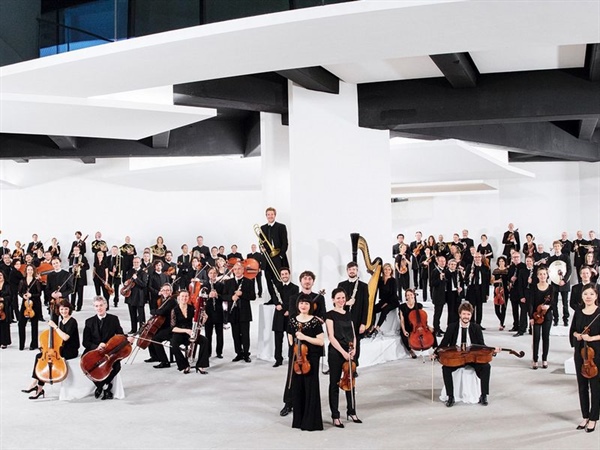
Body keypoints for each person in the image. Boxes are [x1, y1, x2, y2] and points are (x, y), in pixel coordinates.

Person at [435, 302, 500, 407]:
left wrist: (492, 351)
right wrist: (435, 353)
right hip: (456, 358)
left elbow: (482, 345)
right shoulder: (452, 327)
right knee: (445, 369)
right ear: (460, 314)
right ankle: (451, 396)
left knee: (486, 367)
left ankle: (483, 395)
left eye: (468, 314)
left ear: (471, 315)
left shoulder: (476, 328)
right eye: (464, 314)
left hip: (472, 359)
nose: (466, 317)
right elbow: (444, 343)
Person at [22, 299, 79, 400]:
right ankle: (38, 387)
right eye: (62, 309)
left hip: (71, 350)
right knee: (41, 356)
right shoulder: (62, 321)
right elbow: (58, 339)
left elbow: (65, 337)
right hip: (62, 348)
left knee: (46, 358)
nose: (64, 311)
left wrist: (55, 327)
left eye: (66, 309)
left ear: (69, 310)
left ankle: (36, 384)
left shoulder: (72, 321)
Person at [288, 294, 324, 431]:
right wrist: (293, 346)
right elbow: (289, 334)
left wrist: (304, 337)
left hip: (311, 358)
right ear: (298, 305)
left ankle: (311, 422)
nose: (303, 306)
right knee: (298, 388)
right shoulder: (292, 320)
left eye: (306, 304)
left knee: (311, 388)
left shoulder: (315, 321)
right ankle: (299, 420)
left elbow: (320, 341)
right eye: (301, 303)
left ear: (310, 306)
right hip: (297, 358)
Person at [326, 288, 361, 428]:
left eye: (343, 298)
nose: (341, 300)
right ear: (333, 299)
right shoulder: (329, 315)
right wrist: (342, 352)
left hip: (349, 351)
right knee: (334, 383)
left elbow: (353, 335)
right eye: (338, 298)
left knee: (349, 382)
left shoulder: (349, 314)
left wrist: (354, 350)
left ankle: (351, 411)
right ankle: (335, 415)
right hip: (336, 352)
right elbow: (331, 337)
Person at [570, 284, 600, 433]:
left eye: (591, 294)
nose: (588, 296)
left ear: (596, 296)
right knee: (582, 385)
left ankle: (594, 418)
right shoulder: (578, 312)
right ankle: (585, 416)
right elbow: (574, 330)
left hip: (596, 354)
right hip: (580, 353)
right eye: (585, 294)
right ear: (582, 296)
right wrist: (577, 335)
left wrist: (592, 337)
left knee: (595, 387)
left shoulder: (599, 312)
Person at [82, 296, 125, 400]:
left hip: (110, 351)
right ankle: (104, 386)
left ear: (105, 305)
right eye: (96, 306)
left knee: (116, 366)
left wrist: (127, 339)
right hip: (95, 350)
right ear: (94, 307)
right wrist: (96, 346)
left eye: (101, 305)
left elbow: (120, 336)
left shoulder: (113, 319)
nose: (99, 308)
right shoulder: (89, 321)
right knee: (85, 365)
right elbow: (85, 342)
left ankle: (102, 386)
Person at [337, 261, 369, 366]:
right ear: (347, 271)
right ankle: (342, 363)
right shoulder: (341, 285)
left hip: (357, 319)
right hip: (343, 318)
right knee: (342, 340)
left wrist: (363, 323)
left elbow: (366, 305)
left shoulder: (363, 286)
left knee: (356, 342)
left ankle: (354, 365)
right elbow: (337, 302)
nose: (352, 271)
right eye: (350, 269)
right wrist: (346, 303)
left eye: (354, 269)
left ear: (357, 271)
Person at [223, 262, 255, 362]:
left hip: (245, 313)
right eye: (235, 269)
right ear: (233, 271)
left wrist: (242, 294)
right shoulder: (228, 282)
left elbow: (253, 296)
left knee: (245, 334)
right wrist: (231, 297)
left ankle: (246, 353)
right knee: (235, 335)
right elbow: (223, 296)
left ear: (243, 270)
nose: (237, 271)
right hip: (233, 313)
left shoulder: (249, 282)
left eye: (239, 269)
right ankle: (238, 353)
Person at [272, 267, 299, 367]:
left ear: (289, 274)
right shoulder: (277, 286)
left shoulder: (295, 288)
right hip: (279, 315)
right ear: (280, 276)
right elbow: (274, 298)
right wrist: (277, 304)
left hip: (289, 315)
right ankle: (278, 359)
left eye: (286, 274)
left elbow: (294, 301)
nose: (284, 276)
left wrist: (285, 308)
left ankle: (292, 358)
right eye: (282, 274)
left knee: (291, 339)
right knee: (278, 339)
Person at [260, 207, 289, 302]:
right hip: (267, 258)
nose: (270, 216)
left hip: (278, 257)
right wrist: (261, 249)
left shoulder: (281, 227)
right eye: (268, 214)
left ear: (275, 215)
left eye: (272, 214)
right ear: (266, 216)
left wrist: (281, 256)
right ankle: (273, 299)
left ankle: (283, 300)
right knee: (268, 279)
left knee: (278, 280)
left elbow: (285, 243)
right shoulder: (262, 228)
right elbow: (261, 243)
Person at [145, 284, 176, 368]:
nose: (165, 292)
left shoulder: (172, 301)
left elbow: (162, 312)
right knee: (150, 334)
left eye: (168, 290)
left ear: (171, 292)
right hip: (163, 325)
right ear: (161, 291)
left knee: (156, 339)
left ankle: (165, 361)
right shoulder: (163, 300)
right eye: (164, 290)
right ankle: (155, 356)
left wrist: (153, 311)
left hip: (170, 327)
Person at [529, 266, 554, 369]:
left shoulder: (551, 288)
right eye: (540, 274)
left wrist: (549, 306)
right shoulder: (533, 287)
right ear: (537, 276)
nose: (542, 276)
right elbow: (530, 303)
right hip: (536, 315)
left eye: (544, 274)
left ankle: (544, 359)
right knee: (536, 338)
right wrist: (531, 317)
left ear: (547, 275)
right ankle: (535, 359)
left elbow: (553, 302)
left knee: (545, 337)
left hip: (547, 316)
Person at [398, 289, 432, 358]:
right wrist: (404, 330)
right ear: (406, 297)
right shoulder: (402, 307)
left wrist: (428, 326)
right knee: (403, 335)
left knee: (432, 331)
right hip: (407, 326)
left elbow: (423, 319)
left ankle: (435, 349)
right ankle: (410, 350)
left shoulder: (419, 305)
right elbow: (402, 320)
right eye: (407, 295)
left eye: (411, 294)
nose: (409, 296)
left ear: (414, 295)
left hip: (419, 325)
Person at [367, 263, 398, 336]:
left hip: (392, 301)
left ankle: (377, 328)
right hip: (383, 301)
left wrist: (386, 303)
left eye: (389, 269)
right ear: (383, 271)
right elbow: (375, 278)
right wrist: (371, 272)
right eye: (385, 269)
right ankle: (372, 326)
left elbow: (394, 294)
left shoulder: (393, 281)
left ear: (391, 271)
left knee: (385, 309)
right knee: (373, 309)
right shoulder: (380, 280)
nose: (387, 271)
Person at [17, 264, 43, 350]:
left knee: (34, 324)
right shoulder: (22, 281)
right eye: (28, 270)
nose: (30, 271)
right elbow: (20, 292)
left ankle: (34, 344)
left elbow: (39, 293)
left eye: (31, 269)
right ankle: (21, 344)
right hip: (25, 304)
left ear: (33, 271)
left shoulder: (36, 281)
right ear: (26, 271)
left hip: (34, 304)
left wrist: (31, 295)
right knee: (21, 323)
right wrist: (23, 296)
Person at [548, 240, 572, 326]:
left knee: (565, 303)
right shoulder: (551, 259)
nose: (557, 248)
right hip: (554, 283)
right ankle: (556, 319)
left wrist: (564, 280)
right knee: (554, 303)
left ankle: (565, 320)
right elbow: (549, 271)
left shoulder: (566, 257)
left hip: (564, 284)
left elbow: (569, 270)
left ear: (561, 247)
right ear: (553, 248)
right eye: (555, 246)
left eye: (558, 246)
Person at [204, 267, 225, 359]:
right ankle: (208, 352)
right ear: (208, 275)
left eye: (214, 273)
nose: (212, 275)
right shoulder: (204, 286)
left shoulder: (221, 285)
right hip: (208, 312)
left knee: (219, 333)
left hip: (219, 311)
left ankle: (219, 352)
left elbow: (225, 297)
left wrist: (217, 296)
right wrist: (208, 296)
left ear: (217, 274)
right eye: (210, 273)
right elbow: (201, 298)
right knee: (208, 334)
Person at [465, 252, 490, 328]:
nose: (477, 259)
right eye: (475, 257)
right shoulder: (470, 267)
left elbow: (487, 282)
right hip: (472, 289)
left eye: (479, 257)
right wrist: (469, 277)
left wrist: (487, 293)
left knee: (480, 308)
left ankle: (478, 324)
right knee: (471, 307)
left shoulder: (485, 268)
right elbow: (465, 280)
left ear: (481, 258)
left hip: (481, 290)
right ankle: (472, 323)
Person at [124, 256, 148, 334]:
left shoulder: (143, 273)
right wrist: (125, 283)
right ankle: (133, 329)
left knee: (141, 314)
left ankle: (142, 330)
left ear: (140, 263)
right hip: (130, 295)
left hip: (139, 296)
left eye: (137, 262)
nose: (136, 264)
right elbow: (127, 281)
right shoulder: (130, 271)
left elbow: (144, 284)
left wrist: (136, 278)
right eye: (134, 262)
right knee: (132, 313)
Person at [45, 257, 73, 321]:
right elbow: (47, 289)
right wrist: (51, 294)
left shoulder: (67, 274)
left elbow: (71, 289)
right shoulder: (50, 275)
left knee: (65, 320)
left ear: (60, 263)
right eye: (54, 263)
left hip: (64, 300)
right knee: (54, 321)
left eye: (57, 263)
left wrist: (61, 294)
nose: (55, 265)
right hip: (53, 301)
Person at [507, 252, 528, 336]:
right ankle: (515, 325)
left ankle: (523, 327)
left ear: (520, 257)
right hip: (513, 291)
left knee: (523, 311)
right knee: (514, 309)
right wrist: (511, 279)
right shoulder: (511, 267)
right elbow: (508, 277)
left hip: (521, 292)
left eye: (517, 257)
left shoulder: (523, 266)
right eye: (514, 257)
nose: (516, 258)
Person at [430, 255, 447, 336]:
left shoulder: (445, 270)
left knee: (439, 313)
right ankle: (436, 329)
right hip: (437, 296)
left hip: (444, 295)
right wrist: (439, 279)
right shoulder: (435, 271)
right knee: (437, 314)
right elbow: (432, 283)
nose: (443, 263)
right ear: (438, 262)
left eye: (444, 261)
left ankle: (438, 328)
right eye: (441, 261)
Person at [68, 246, 89, 312]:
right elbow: (70, 267)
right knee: (73, 292)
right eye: (74, 250)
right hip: (73, 277)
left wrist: (81, 267)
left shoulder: (83, 258)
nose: (76, 251)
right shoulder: (72, 258)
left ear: (79, 251)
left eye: (77, 250)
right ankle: (72, 306)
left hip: (80, 278)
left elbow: (87, 267)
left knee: (80, 293)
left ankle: (79, 306)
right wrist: (72, 270)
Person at [445, 259, 464, 327]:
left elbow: (462, 282)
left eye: (454, 264)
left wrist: (461, 288)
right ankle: (450, 325)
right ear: (448, 265)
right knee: (451, 310)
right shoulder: (446, 273)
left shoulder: (458, 272)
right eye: (452, 264)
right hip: (450, 293)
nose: (453, 266)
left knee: (458, 309)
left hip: (457, 293)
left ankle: (456, 324)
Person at [491, 256, 509, 331]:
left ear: (505, 262)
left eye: (503, 261)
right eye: (500, 261)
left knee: (504, 308)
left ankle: (501, 323)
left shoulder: (507, 271)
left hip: (505, 291)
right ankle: (501, 320)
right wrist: (497, 281)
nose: (501, 263)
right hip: (497, 291)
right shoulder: (495, 271)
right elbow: (491, 281)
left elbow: (509, 281)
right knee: (497, 310)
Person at [0, 271, 12, 348]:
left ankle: (5, 342)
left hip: (5, 307)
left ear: (3, 276)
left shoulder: (7, 285)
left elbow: (10, 297)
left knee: (4, 325)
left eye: (0, 275)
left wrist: (3, 299)